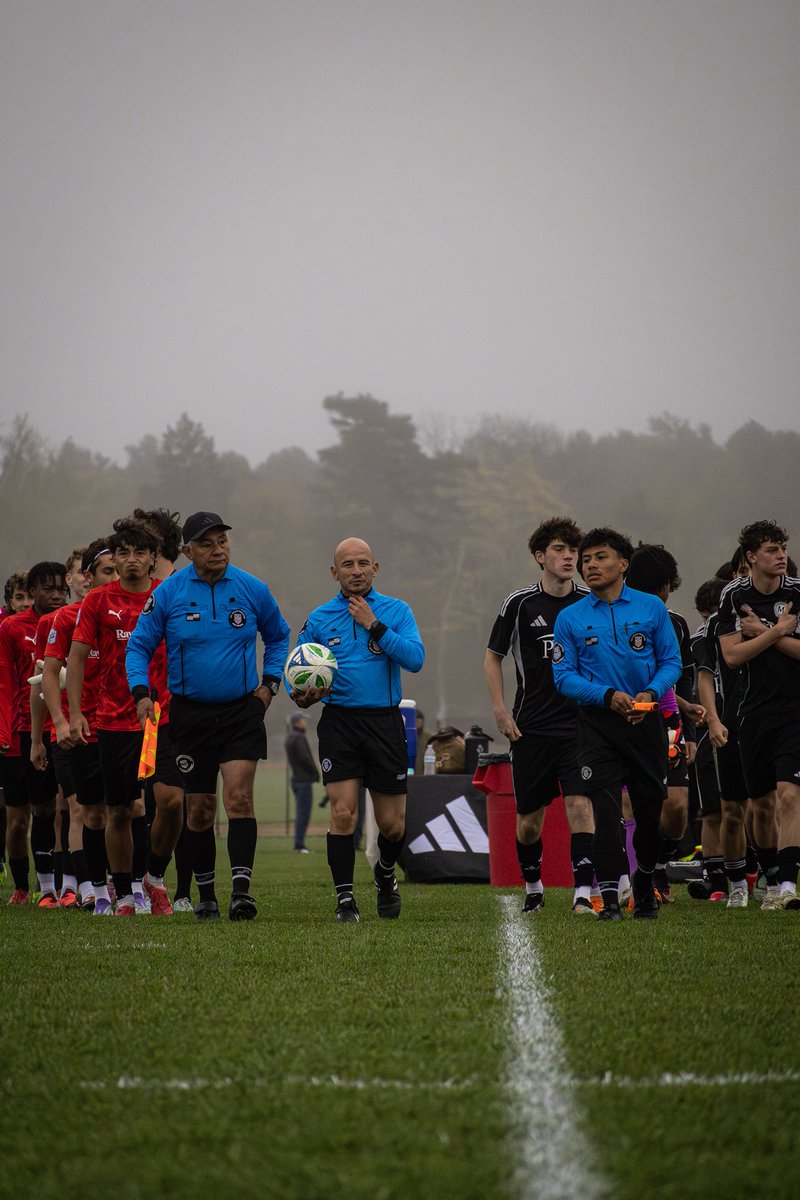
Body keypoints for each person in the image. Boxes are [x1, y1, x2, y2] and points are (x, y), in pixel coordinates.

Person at [126, 511, 290, 922]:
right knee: (198, 809)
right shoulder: (168, 593)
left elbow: (279, 636)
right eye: (206, 543)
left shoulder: (253, 588)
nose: (218, 549)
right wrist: (141, 693)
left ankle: (240, 893)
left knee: (239, 798)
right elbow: (138, 646)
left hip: (241, 713)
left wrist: (269, 686)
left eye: (222, 541)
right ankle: (205, 895)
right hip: (190, 716)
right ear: (187, 551)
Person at [291, 536, 425, 923]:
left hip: (385, 722)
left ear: (375, 568)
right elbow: (296, 671)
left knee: (392, 825)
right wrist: (302, 694)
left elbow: (415, 660)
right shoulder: (319, 619)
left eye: (363, 563)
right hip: (340, 725)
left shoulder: (396, 611)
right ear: (335, 572)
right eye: (347, 565)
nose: (356, 571)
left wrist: (374, 625)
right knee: (344, 813)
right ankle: (345, 900)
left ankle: (384, 873)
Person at [552, 527, 682, 919]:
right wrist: (607, 696)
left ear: (623, 564)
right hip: (597, 727)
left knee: (649, 815)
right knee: (606, 814)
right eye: (586, 559)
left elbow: (671, 662)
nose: (590, 565)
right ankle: (609, 898)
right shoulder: (569, 617)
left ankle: (643, 879)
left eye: (600, 557)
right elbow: (563, 677)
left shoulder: (651, 608)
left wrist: (650, 692)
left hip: (646, 725)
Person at [67, 519, 184, 917]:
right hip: (113, 721)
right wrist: (77, 712)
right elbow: (77, 658)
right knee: (119, 810)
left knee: (169, 801)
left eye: (140, 552)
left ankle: (153, 878)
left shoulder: (167, 596)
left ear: (153, 558)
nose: (131, 560)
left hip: (161, 720)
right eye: (123, 553)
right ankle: (125, 896)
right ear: (115, 559)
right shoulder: (98, 602)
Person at [484, 516, 598, 916]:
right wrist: (500, 710)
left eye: (573, 551)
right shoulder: (519, 603)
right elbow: (492, 658)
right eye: (559, 550)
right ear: (540, 556)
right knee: (528, 822)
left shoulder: (589, 601)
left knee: (581, 807)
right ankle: (533, 886)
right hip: (529, 728)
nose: (569, 557)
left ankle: (583, 892)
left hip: (579, 727)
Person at [717, 520, 800, 911]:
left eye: (782, 547)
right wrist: (780, 632)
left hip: (794, 710)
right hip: (751, 713)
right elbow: (732, 656)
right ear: (751, 557)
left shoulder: (798, 594)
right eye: (771, 549)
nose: (781, 555)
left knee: (789, 796)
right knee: (760, 805)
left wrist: (765, 632)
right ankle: (769, 875)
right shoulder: (733, 596)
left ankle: (787, 884)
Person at [625, 543, 706, 903]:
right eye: (666, 586)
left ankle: (657, 864)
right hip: (625, 721)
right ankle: (641, 876)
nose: (667, 593)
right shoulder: (616, 616)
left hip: (669, 722)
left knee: (675, 809)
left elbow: (681, 678)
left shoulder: (675, 624)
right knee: (636, 805)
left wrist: (688, 728)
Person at [42, 538, 118, 912]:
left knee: (125, 808)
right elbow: (46, 676)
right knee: (78, 808)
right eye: (107, 571)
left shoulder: (129, 614)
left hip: (118, 727)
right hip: (77, 729)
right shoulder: (65, 619)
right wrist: (59, 721)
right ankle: (85, 885)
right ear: (85, 577)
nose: (114, 578)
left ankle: (129, 883)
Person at [0, 562, 69, 906]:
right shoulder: (11, 628)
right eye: (47, 589)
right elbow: (5, 682)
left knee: (62, 808)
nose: (55, 596)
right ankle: (22, 885)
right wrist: (5, 732)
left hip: (61, 727)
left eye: (61, 589)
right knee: (19, 818)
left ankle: (61, 885)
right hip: (21, 733)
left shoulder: (72, 620)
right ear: (31, 592)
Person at [285, 713, 319, 853]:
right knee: (303, 814)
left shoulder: (291, 737)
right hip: (303, 780)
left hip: (297, 780)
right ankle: (299, 845)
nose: (305, 722)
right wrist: (315, 773)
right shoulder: (298, 737)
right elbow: (305, 758)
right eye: (303, 720)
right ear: (297, 722)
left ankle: (299, 843)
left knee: (302, 812)